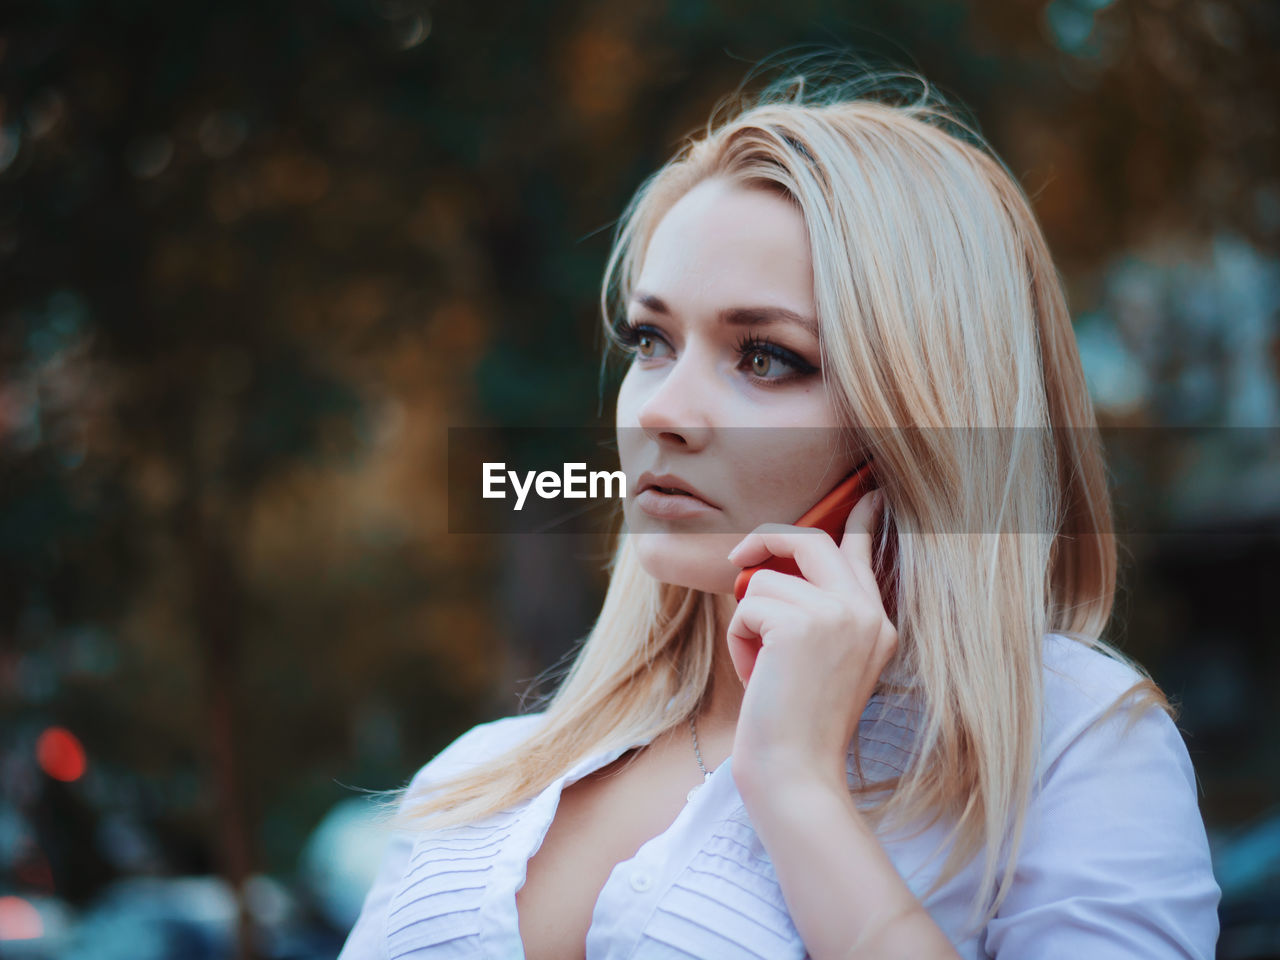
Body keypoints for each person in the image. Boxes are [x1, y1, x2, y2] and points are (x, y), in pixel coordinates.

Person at [338, 63, 1221, 959]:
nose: (660, 412)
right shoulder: (478, 772)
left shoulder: (1071, 745)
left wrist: (800, 790)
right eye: (652, 341)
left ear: (918, 423)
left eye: (764, 357)